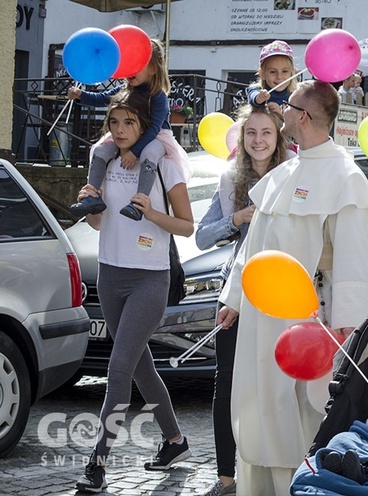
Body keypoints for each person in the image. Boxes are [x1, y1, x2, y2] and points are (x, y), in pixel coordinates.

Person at [216, 80, 368, 496]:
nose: (280, 109)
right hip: (259, 317)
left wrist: (347, 326)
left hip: (309, 320)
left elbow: (354, 262)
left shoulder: (346, 177)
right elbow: (254, 245)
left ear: (302, 117)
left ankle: (302, 487)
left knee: (301, 408)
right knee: (257, 402)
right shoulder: (284, 172)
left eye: (287, 106)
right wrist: (234, 298)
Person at [74, 91, 194, 493]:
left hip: (149, 279)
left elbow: (187, 227)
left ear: (144, 126)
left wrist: (150, 211)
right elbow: (97, 226)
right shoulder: (104, 162)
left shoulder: (164, 164)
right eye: (114, 122)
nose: (120, 130)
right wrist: (91, 205)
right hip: (110, 276)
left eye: (129, 123)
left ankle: (98, 462)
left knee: (119, 369)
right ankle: (175, 441)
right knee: (141, 366)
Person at [195, 105, 292, 496]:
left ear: (278, 137)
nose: (258, 141)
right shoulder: (230, 180)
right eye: (251, 133)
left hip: (280, 292)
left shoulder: (292, 177)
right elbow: (202, 237)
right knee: (227, 383)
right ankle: (225, 479)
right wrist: (238, 218)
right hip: (235, 292)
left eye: (266, 133)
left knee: (274, 385)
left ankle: (272, 474)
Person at [68, 39, 175, 221]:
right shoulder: (126, 89)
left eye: (138, 64)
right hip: (128, 134)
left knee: (150, 152)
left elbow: (155, 127)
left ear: (153, 68)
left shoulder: (157, 96)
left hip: (155, 137)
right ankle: (92, 195)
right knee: (101, 150)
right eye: (129, 63)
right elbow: (103, 98)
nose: (132, 69)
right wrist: (81, 95)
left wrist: (134, 152)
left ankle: (138, 204)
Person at [246, 40, 297, 115]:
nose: (279, 77)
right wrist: (259, 98)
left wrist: (281, 115)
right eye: (273, 72)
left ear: (292, 72)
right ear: (262, 74)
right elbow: (253, 96)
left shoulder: (295, 96)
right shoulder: (257, 89)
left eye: (285, 71)